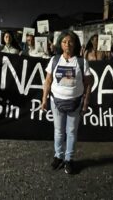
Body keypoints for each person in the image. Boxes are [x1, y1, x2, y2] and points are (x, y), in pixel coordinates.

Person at [41, 31, 93, 174]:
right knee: (58, 132)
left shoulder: (82, 62)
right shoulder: (55, 60)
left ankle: (69, 159)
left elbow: (88, 83)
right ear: (60, 44)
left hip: (75, 103)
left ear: (75, 43)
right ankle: (58, 157)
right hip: (56, 102)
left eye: (70, 41)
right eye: (64, 42)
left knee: (71, 132)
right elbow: (48, 81)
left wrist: (86, 102)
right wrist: (44, 99)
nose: (67, 44)